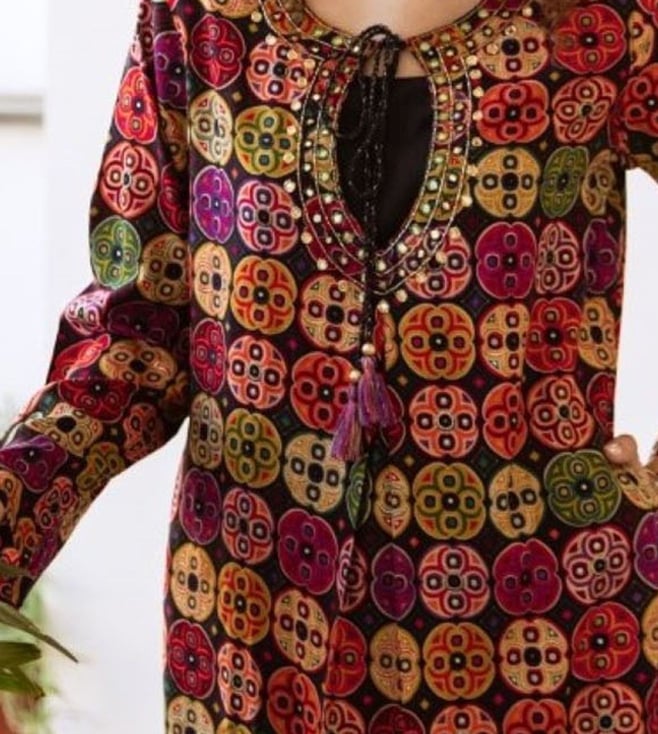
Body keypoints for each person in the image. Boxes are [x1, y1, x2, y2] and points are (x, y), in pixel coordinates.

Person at [1, 0, 657, 730]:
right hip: (255, 631)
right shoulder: (198, 20)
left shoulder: (607, 22)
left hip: (553, 634)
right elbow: (133, 349)